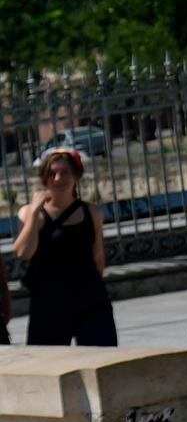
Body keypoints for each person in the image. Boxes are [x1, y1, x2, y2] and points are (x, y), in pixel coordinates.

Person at [15, 148, 113, 348]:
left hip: (90, 300)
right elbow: (24, 252)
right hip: (49, 304)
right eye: (52, 173)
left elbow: (98, 257)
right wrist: (34, 213)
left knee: (101, 357)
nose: (59, 178)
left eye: (65, 172)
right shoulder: (30, 214)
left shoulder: (91, 212)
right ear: (44, 178)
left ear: (76, 176)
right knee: (49, 365)